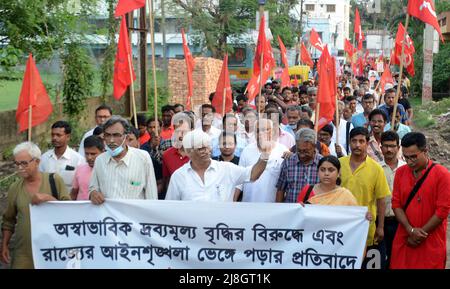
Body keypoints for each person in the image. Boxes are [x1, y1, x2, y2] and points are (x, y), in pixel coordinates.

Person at [1, 142, 70, 269]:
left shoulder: (54, 180)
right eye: (17, 164)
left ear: (37, 162)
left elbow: (69, 212)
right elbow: (8, 220)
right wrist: (4, 245)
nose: (20, 168)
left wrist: (48, 198)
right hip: (23, 254)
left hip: (52, 251)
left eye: (24, 163)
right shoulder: (15, 188)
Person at [390, 132, 450, 269]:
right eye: (406, 157)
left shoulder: (442, 175)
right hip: (405, 238)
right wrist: (410, 230)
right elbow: (396, 204)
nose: (410, 162)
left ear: (425, 151)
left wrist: (419, 234)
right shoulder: (401, 172)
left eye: (413, 157)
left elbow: (442, 211)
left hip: (430, 240)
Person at [165, 130, 270, 201]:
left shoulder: (226, 169)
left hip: (221, 230)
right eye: (201, 148)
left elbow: (253, 174)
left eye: (208, 147)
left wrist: (265, 154)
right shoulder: (179, 176)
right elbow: (171, 209)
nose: (206, 151)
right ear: (188, 152)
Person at [339, 127, 391, 253]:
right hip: (339, 224)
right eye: (354, 141)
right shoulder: (338, 164)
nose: (357, 145)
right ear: (349, 142)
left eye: (361, 141)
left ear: (367, 143)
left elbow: (381, 200)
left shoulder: (376, 168)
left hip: (364, 225)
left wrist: (380, 227)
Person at [89, 116, 158, 204]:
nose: (111, 140)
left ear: (126, 137)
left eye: (116, 135)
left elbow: (151, 195)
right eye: (107, 135)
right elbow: (93, 188)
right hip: (108, 217)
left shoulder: (143, 158)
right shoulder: (100, 160)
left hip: (134, 216)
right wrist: (93, 194)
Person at [235, 119, 288, 202]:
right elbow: (240, 179)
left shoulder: (283, 150)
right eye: (258, 130)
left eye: (265, 130)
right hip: (249, 204)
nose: (261, 133)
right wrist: (233, 202)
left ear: (273, 131)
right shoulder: (247, 150)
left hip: (272, 206)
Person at [379, 131, 406, 269]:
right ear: (380, 147)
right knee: (381, 259)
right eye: (386, 146)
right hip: (381, 223)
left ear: (398, 147)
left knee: (399, 258)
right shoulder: (376, 169)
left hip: (401, 222)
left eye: (392, 146)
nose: (389, 149)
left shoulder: (406, 168)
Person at [276, 128, 322, 203]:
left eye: (306, 151)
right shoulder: (288, 162)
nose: (302, 155)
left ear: (314, 146)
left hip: (314, 211)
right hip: (291, 210)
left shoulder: (322, 163)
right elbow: (281, 189)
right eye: (299, 151)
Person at [39, 121, 85, 192]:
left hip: (69, 201)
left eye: (58, 135)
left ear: (68, 137)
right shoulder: (44, 158)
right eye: (53, 135)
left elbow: (81, 186)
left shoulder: (78, 159)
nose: (54, 138)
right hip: (47, 201)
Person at [162, 112, 193, 191]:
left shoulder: (199, 153)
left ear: (191, 131)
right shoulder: (167, 155)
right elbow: (167, 181)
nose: (181, 135)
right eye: (177, 131)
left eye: (184, 131)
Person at [71, 136, 104, 200]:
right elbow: (74, 193)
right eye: (86, 153)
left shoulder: (109, 171)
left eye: (93, 154)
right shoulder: (80, 169)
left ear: (102, 152)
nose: (89, 157)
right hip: (80, 209)